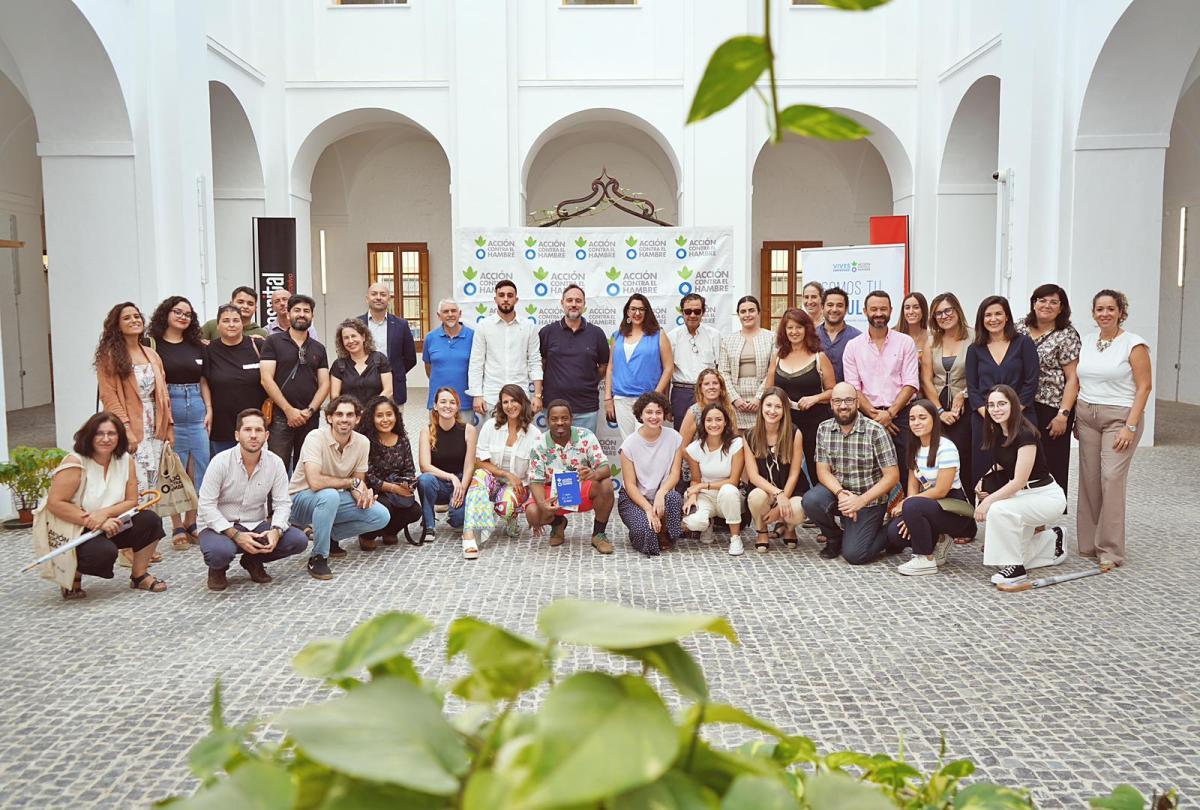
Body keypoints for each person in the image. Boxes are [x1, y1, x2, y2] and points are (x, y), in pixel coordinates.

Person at [43, 413, 167, 598]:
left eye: (112, 433)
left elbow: (131, 501)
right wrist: (96, 522)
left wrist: (105, 515)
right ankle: (73, 575)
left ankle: (139, 575)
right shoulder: (75, 462)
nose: (106, 439)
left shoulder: (125, 460)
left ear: (119, 437)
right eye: (99, 434)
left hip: (112, 521)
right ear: (89, 435)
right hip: (76, 528)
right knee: (103, 553)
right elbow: (55, 503)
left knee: (151, 520)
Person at [1075, 289, 1152, 572]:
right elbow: (1079, 381)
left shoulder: (1134, 344)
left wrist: (1130, 426)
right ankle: (1087, 544)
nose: (1104, 314)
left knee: (1111, 478)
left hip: (1119, 417)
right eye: (1099, 309)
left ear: (1121, 312)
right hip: (1087, 415)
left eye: (1110, 308)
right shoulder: (1087, 341)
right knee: (1090, 478)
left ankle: (1110, 549)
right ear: (1093, 313)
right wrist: (1074, 418)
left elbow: (1144, 386)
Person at [196, 409, 308, 591]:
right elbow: (206, 506)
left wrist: (276, 530)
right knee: (220, 552)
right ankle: (217, 569)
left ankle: (252, 560)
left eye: (258, 430)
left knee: (298, 540)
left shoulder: (275, 463)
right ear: (237, 435)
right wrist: (236, 535)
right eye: (247, 430)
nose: (253, 435)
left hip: (255, 524)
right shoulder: (220, 462)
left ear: (267, 435)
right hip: (219, 526)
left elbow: (282, 503)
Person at [288, 395, 391, 580]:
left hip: (330, 500)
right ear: (329, 418)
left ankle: (327, 535)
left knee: (381, 515)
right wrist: (350, 483)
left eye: (350, 415)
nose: (344, 419)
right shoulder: (315, 437)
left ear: (357, 419)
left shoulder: (362, 442)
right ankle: (318, 557)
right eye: (339, 414)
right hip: (300, 501)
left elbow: (358, 481)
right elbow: (315, 482)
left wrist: (362, 495)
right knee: (330, 495)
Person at [975, 385, 1067, 587]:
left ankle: (1015, 569)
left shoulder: (1026, 434)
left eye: (1001, 404)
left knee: (998, 509)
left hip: (1045, 496)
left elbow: (1018, 481)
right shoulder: (998, 431)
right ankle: (1053, 540)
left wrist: (987, 501)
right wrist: (984, 477)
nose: (996, 409)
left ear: (1013, 405)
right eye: (991, 405)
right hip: (1024, 497)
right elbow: (1005, 460)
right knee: (1021, 552)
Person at [802, 381, 900, 565]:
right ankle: (834, 537)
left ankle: (891, 533)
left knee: (855, 555)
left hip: (869, 500)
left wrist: (860, 501)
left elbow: (892, 476)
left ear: (857, 402)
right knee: (811, 500)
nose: (843, 406)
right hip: (841, 495)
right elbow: (822, 471)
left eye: (848, 400)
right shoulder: (824, 429)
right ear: (831, 404)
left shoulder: (875, 431)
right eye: (838, 401)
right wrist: (841, 495)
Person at [147, 295, 212, 548]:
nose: (183, 316)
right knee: (173, 469)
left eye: (187, 313)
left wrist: (209, 409)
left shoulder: (198, 345)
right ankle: (176, 525)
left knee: (200, 466)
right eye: (177, 311)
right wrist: (167, 420)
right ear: (166, 313)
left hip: (196, 404)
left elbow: (204, 379)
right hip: (169, 403)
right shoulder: (152, 346)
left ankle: (192, 521)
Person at [885, 399, 976, 576]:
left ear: (934, 419)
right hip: (928, 505)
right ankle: (939, 540)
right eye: (912, 418)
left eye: (922, 417)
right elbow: (913, 484)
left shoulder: (946, 447)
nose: (916, 422)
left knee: (911, 505)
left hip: (954, 511)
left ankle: (924, 558)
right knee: (894, 533)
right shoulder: (915, 447)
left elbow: (942, 490)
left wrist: (907, 504)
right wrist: (909, 514)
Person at [95, 302, 173, 494]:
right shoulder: (110, 357)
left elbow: (163, 393)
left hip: (155, 425)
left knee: (155, 482)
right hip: (130, 426)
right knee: (135, 483)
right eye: (127, 318)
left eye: (137, 316)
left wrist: (169, 426)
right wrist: (126, 429)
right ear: (117, 325)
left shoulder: (152, 354)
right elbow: (109, 396)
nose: (134, 320)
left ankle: (153, 523)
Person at [842, 290, 919, 483]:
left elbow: (910, 383)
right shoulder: (853, 346)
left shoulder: (905, 342)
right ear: (865, 311)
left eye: (883, 309)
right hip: (867, 416)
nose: (878, 313)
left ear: (891, 311)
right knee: (870, 469)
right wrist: (876, 416)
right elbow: (853, 389)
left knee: (906, 465)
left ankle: (904, 508)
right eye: (874, 309)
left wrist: (890, 414)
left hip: (901, 415)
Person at [1016, 284, 1081, 502]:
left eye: (1054, 302)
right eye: (1042, 300)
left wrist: (1063, 414)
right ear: (1033, 303)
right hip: (1021, 405)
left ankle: (1046, 519)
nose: (1047, 305)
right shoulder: (1018, 328)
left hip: (1051, 409)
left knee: (1049, 464)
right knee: (1021, 461)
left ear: (1062, 308)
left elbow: (1073, 378)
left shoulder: (1067, 335)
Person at [966, 295, 1039, 486]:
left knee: (1019, 475)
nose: (993, 319)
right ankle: (983, 513)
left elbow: (1031, 383)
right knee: (985, 475)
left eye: (998, 313)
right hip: (984, 420)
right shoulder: (975, 349)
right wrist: (992, 415)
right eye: (988, 315)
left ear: (1007, 316)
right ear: (981, 319)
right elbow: (972, 390)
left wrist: (1010, 414)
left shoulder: (1024, 343)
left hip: (1020, 417)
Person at [461, 384, 540, 559]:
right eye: (505, 402)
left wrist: (536, 509)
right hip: (494, 478)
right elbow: (480, 462)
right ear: (500, 405)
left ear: (523, 403)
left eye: (514, 401)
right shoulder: (491, 426)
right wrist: (506, 474)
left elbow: (537, 473)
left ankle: (511, 517)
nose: (510, 406)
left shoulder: (534, 435)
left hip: (519, 486)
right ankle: (469, 535)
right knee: (479, 476)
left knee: (504, 508)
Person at [526, 399, 616, 554]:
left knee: (606, 484)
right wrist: (542, 504)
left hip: (581, 490)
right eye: (554, 419)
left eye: (564, 418)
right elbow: (535, 480)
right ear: (547, 421)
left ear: (571, 419)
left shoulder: (585, 436)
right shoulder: (539, 443)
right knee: (533, 513)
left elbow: (605, 468)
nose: (560, 423)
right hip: (553, 494)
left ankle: (598, 534)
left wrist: (594, 473)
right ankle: (558, 524)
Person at [921, 292, 975, 544]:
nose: (944, 316)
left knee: (964, 463)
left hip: (966, 409)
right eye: (939, 313)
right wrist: (939, 411)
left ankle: (967, 522)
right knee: (938, 465)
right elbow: (926, 379)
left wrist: (963, 395)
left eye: (948, 310)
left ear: (958, 310)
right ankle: (943, 520)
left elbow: (979, 373)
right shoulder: (931, 342)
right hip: (939, 411)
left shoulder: (974, 337)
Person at [763, 307, 834, 488]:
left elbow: (833, 391)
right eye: (790, 328)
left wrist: (815, 398)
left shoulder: (819, 357)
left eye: (798, 327)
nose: (794, 332)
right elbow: (768, 390)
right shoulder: (778, 357)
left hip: (814, 422)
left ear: (807, 329)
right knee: (785, 466)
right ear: (784, 331)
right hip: (785, 422)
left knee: (815, 464)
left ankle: (822, 507)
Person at [260, 294, 330, 473]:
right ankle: (275, 503)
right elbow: (266, 379)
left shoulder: (318, 348)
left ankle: (301, 502)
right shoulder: (273, 342)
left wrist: (310, 411)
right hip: (280, 417)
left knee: (306, 469)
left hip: (310, 418)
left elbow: (324, 384)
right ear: (288, 313)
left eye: (306, 311)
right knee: (277, 470)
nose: (302, 314)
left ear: (312, 316)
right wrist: (289, 410)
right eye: (297, 310)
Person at [617, 391, 683, 556]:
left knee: (674, 499)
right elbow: (630, 485)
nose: (654, 417)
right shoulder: (629, 445)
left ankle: (665, 532)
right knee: (644, 532)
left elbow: (675, 474)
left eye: (658, 412)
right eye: (649, 412)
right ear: (640, 414)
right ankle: (645, 531)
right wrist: (647, 508)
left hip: (661, 495)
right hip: (635, 499)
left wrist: (661, 493)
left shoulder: (674, 437)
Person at [540, 284, 610, 434]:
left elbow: (603, 366)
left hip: (586, 408)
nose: (573, 304)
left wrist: (586, 380)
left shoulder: (597, 334)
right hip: (554, 408)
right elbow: (540, 364)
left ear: (584, 305)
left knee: (583, 455)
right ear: (562, 303)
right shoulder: (547, 332)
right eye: (569, 300)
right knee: (555, 454)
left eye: (578, 301)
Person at [743, 387, 807, 552]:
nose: (772, 411)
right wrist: (777, 494)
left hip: (790, 489)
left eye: (778, 407)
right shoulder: (750, 435)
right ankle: (762, 530)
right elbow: (753, 476)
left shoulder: (794, 433)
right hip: (764, 488)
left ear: (785, 409)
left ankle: (789, 528)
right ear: (761, 407)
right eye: (768, 405)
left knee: (797, 508)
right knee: (756, 497)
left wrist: (781, 503)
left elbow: (794, 473)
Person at [468, 279, 543, 416]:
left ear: (516, 299)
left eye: (510, 295)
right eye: (501, 295)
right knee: (492, 437)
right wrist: (477, 395)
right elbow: (476, 363)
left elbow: (535, 361)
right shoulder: (484, 326)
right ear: (495, 299)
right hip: (491, 397)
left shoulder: (528, 327)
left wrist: (537, 395)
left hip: (520, 397)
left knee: (520, 437)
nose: (506, 299)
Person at [359, 395, 422, 550]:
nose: (385, 419)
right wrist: (394, 488)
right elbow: (369, 477)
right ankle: (367, 534)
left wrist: (408, 485)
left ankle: (389, 532)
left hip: (397, 489)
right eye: (379, 416)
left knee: (415, 510)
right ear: (371, 418)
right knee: (385, 506)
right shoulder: (365, 441)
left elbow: (409, 469)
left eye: (389, 414)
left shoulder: (402, 440)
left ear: (396, 416)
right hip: (373, 491)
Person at [606, 294, 673, 439]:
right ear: (627, 312)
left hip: (647, 400)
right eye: (634, 309)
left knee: (646, 442)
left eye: (641, 309)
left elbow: (668, 368)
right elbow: (610, 368)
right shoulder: (617, 336)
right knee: (628, 443)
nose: (637, 313)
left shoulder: (658, 334)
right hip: (621, 399)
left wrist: (655, 395)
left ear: (647, 311)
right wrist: (607, 399)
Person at [682, 403, 746, 555]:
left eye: (718, 419)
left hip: (730, 498)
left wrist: (703, 486)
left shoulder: (736, 444)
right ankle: (707, 522)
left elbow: (734, 481)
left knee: (728, 490)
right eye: (709, 420)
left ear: (725, 422)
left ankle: (735, 538)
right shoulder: (694, 448)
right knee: (694, 521)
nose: (714, 424)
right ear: (703, 424)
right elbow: (696, 480)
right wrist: (692, 495)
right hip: (706, 497)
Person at [205, 304, 268, 457]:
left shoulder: (258, 345)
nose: (231, 324)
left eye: (236, 320)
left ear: (242, 324)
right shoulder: (208, 350)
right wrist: (208, 408)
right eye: (226, 320)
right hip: (221, 424)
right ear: (218, 325)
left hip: (255, 424)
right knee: (225, 471)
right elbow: (203, 381)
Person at [418, 387, 477, 544]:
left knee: (459, 520)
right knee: (424, 480)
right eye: (443, 401)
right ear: (435, 406)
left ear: (457, 407)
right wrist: (450, 477)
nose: (447, 406)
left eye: (452, 402)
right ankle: (429, 524)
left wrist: (462, 489)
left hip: (460, 482)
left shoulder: (468, 430)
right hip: (437, 483)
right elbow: (424, 466)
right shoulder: (427, 431)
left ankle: (455, 513)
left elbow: (470, 465)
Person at [719, 295, 775, 431]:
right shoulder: (728, 340)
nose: (747, 315)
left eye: (751, 310)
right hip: (735, 402)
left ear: (758, 313)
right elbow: (723, 372)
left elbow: (773, 370)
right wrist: (735, 399)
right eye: (743, 311)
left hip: (763, 400)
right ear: (738, 314)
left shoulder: (771, 337)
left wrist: (759, 398)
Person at [666, 292, 722, 428]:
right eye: (688, 311)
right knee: (682, 436)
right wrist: (666, 403)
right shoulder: (672, 337)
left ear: (703, 313)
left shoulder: (714, 335)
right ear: (682, 313)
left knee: (710, 432)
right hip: (681, 393)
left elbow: (721, 369)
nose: (692, 315)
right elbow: (667, 372)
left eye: (697, 311)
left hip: (708, 392)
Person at [359, 282, 417, 405]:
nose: (378, 297)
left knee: (394, 423)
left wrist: (394, 372)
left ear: (388, 299)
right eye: (374, 294)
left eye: (383, 294)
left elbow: (410, 358)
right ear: (367, 298)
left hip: (394, 388)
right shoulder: (356, 324)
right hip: (363, 387)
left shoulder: (401, 325)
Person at [422, 299, 475, 413]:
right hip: (438, 403)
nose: (450, 314)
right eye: (446, 311)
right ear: (439, 315)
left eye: (453, 311)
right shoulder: (430, 338)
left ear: (459, 314)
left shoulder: (473, 336)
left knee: (465, 431)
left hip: (464, 402)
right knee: (435, 431)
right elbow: (429, 368)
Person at [329, 318, 393, 406]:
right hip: (350, 417)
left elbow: (388, 391)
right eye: (346, 338)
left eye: (354, 336)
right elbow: (335, 396)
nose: (351, 341)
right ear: (342, 342)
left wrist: (369, 410)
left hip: (375, 414)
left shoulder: (380, 359)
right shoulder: (338, 365)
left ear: (363, 337)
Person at [817, 286, 861, 383]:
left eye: (840, 305)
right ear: (822, 307)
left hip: (848, 395)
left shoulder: (857, 338)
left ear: (846, 309)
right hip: (816, 396)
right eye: (830, 305)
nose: (834, 309)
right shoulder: (811, 336)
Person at [200, 285, 268, 341]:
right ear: (231, 304)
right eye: (240, 302)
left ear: (255, 308)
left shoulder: (262, 334)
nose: (245, 306)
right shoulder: (211, 326)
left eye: (250, 304)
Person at [895, 292, 929, 361]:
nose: (911, 312)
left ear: (923, 310)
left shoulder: (931, 336)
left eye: (916, 307)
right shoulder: (893, 335)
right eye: (907, 308)